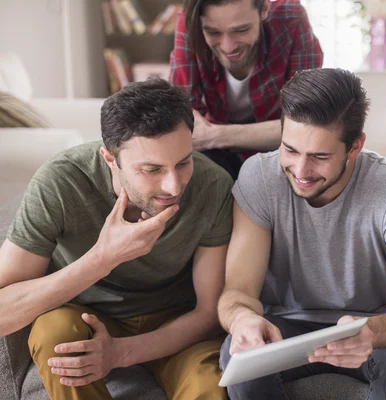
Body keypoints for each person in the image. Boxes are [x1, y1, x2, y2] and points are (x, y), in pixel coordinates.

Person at [217, 67, 386, 400]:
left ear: (355, 147)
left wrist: (371, 332)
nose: (301, 171)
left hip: (371, 327)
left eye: (320, 156)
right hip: (286, 326)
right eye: (290, 150)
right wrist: (241, 320)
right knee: (238, 361)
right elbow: (237, 290)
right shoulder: (260, 177)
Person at [0, 79, 233, 399]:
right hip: (86, 313)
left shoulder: (213, 185)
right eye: (151, 169)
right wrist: (103, 257)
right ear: (111, 159)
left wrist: (120, 353)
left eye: (183, 162)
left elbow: (208, 313)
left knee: (208, 383)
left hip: (174, 319)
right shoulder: (60, 182)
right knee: (56, 335)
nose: (173, 186)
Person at [169, 0, 324, 179]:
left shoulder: (292, 19)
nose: (228, 47)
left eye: (241, 30)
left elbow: (308, 124)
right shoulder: (191, 23)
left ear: (264, 9)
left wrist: (216, 135)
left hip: (278, 155)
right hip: (217, 156)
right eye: (213, 32)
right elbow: (182, 119)